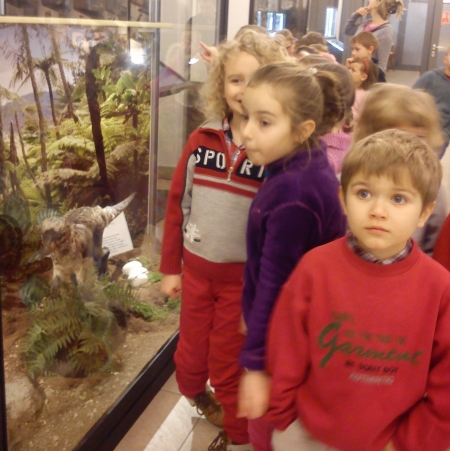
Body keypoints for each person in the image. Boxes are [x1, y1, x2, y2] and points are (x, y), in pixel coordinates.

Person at [266, 129, 450, 451]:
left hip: (391, 443)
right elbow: (286, 348)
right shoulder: (314, 268)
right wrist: (283, 414)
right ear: (343, 200)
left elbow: (446, 382)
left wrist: (409, 441)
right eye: (364, 193)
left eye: (398, 198)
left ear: (424, 212)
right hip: (305, 433)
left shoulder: (440, 288)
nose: (378, 210)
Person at [160, 31, 288, 451]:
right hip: (196, 275)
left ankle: (238, 436)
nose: (243, 90)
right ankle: (198, 395)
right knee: (189, 359)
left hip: (241, 283)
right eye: (235, 79)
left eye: (255, 80)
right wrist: (170, 268)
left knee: (227, 364)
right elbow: (178, 204)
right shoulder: (201, 139)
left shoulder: (273, 154)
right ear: (221, 83)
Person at [237, 62, 347, 450]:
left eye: (264, 122)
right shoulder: (300, 167)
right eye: (246, 116)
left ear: (303, 130)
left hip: (286, 343)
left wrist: (256, 365)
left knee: (265, 431)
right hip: (289, 333)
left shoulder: (293, 195)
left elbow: (274, 283)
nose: (247, 132)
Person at [353, 84, 447, 255]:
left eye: (419, 137)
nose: (408, 145)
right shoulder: (351, 179)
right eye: (395, 135)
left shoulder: (433, 187)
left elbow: (434, 244)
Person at [345, 0, 404, 73]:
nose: (369, 0)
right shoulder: (365, 23)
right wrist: (356, 15)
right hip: (355, 71)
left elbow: (382, 66)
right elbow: (348, 30)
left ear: (378, 3)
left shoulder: (385, 31)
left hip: (367, 74)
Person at [413, 46, 450, 148]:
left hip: (440, 135)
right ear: (445, 59)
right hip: (418, 129)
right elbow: (411, 100)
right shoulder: (430, 77)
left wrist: (444, 135)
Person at [347, 57, 378, 123]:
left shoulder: (365, 95)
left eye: (353, 70)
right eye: (349, 69)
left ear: (363, 77)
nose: (348, 71)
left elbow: (364, 118)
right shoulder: (347, 89)